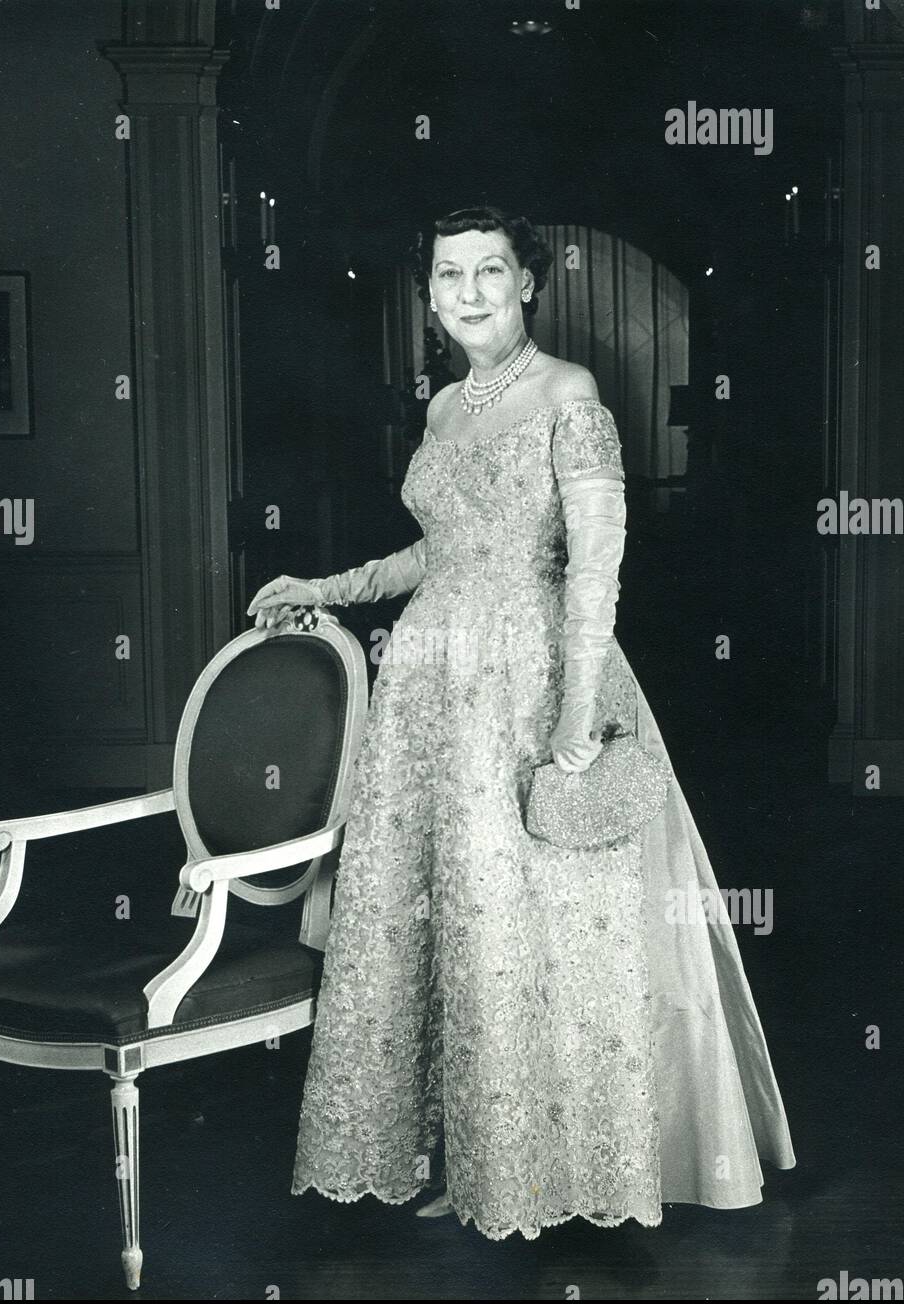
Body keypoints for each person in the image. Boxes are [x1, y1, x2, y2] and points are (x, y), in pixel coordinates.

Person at [248, 205, 795, 1240]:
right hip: (426, 701)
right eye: (448, 275)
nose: (468, 293)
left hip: (530, 683)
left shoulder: (569, 394)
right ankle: (478, 1164)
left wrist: (578, 718)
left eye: (489, 271)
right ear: (430, 293)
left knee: (532, 931)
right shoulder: (446, 407)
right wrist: (321, 583)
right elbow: (436, 554)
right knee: (455, 927)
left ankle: (549, 1173)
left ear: (528, 282)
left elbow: (596, 566)